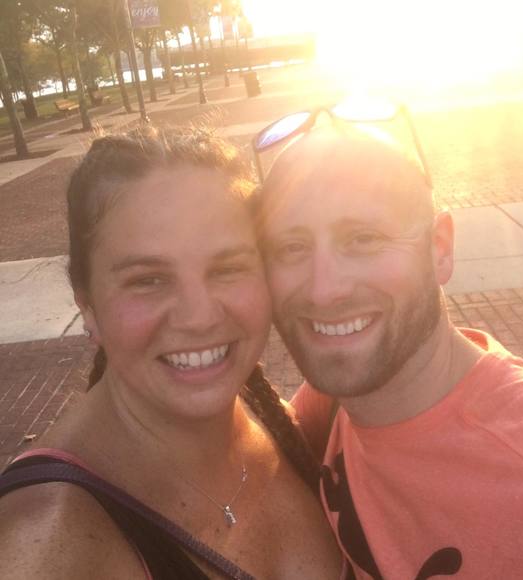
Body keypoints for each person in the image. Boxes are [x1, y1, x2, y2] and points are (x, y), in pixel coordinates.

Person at [0, 126, 343, 579]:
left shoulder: (277, 417)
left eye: (227, 267)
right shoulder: (44, 546)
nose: (199, 317)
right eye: (148, 280)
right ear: (88, 305)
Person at [255, 118, 523, 579]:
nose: (324, 290)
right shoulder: (328, 407)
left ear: (439, 248)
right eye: (291, 247)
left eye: (363, 239)